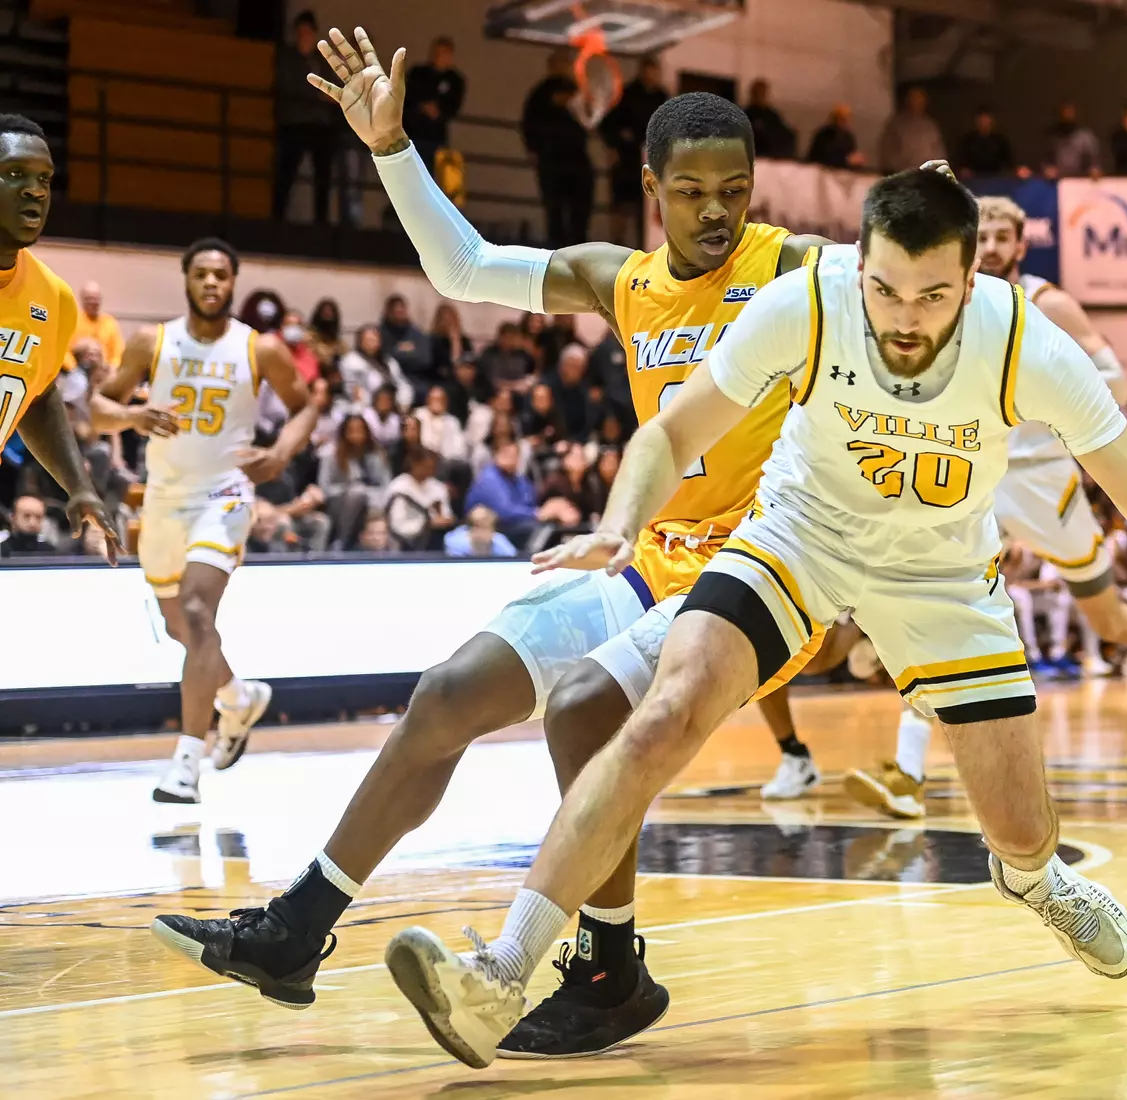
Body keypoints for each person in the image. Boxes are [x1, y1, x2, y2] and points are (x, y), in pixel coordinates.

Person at [367, 168, 1127, 1069]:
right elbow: (672, 431)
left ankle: (1032, 878)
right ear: (859, 264)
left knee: (1020, 831)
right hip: (798, 539)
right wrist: (619, 525)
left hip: (938, 575)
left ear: (971, 278)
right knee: (662, 713)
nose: (904, 316)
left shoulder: (1024, 342)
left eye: (932, 296)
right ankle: (499, 973)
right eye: (886, 289)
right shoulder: (808, 303)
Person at [149, 26, 854, 1059]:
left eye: (736, 190)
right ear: (651, 185)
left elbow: (889, 277)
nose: (717, 210)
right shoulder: (624, 280)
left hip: (760, 571)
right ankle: (297, 929)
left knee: (586, 711)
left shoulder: (795, 264)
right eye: (695, 190)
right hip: (650, 556)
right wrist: (392, 149)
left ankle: (607, 959)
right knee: (447, 693)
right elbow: (465, 265)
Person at [842, 195, 1127, 821]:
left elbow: (1116, 381)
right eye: (981, 234)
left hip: (1045, 478)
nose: (989, 245)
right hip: (973, 471)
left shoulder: (1049, 304)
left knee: (1106, 620)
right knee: (942, 608)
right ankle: (908, 774)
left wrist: (1050, 405)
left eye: (1001, 236)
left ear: (1021, 245)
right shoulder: (948, 298)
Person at [99, 238, 318, 803]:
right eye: (203, 274)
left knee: (198, 613)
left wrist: (281, 453)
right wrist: (131, 415)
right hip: (163, 501)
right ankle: (239, 697)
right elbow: (94, 410)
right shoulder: (153, 340)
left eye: (222, 274)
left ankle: (186, 765)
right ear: (187, 279)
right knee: (183, 631)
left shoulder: (259, 348)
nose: (212, 283)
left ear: (233, 282)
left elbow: (308, 404)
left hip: (224, 496)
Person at [521, 54, 593, 249]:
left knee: (580, 205)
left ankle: (579, 248)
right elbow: (529, 122)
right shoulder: (540, 93)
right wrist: (532, 149)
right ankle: (557, 249)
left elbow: (588, 118)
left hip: (576, 154)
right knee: (555, 207)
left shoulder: (577, 90)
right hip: (551, 155)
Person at [599, 57, 670, 248]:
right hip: (626, 158)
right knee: (622, 205)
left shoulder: (662, 97)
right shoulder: (626, 94)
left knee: (646, 208)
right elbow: (607, 124)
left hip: (652, 162)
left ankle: (645, 246)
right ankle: (617, 244)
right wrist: (613, 146)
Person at [274, 11, 335, 223]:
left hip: (320, 125)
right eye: (300, 32)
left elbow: (334, 89)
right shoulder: (287, 57)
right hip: (294, 122)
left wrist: (324, 96)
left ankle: (321, 222)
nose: (304, 36)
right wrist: (317, 95)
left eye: (308, 32)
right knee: (286, 173)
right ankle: (277, 218)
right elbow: (287, 86)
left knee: (323, 176)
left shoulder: (321, 60)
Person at [402, 37, 465, 171]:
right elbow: (408, 96)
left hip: (436, 136)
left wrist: (439, 111)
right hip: (413, 132)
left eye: (444, 53)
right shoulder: (418, 73)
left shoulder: (455, 80)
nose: (439, 57)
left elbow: (454, 106)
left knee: (433, 173)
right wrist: (422, 107)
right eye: (437, 53)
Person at [878, 85, 945, 172]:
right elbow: (887, 151)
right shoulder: (897, 125)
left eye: (920, 100)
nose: (917, 103)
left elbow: (939, 150)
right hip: (905, 173)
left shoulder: (930, 126)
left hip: (928, 173)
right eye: (914, 99)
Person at [74, 280, 124, 367]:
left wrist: (112, 368)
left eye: (96, 298)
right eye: (89, 299)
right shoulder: (74, 321)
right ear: (82, 300)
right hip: (79, 370)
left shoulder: (110, 323)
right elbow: (65, 352)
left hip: (105, 370)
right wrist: (73, 369)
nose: (93, 302)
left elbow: (118, 353)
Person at [743, 79, 795, 160]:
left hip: (768, 160)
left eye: (761, 93)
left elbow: (785, 136)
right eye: (756, 92)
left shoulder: (772, 116)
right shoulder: (743, 116)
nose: (758, 96)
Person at [956, 106, 1013, 177]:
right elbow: (961, 162)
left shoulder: (1000, 140)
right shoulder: (968, 140)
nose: (984, 122)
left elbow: (1009, 163)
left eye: (986, 119)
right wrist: (963, 170)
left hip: (996, 178)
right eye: (981, 119)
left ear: (992, 121)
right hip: (973, 179)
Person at [807, 103, 863, 169]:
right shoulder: (825, 134)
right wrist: (846, 161)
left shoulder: (848, 137)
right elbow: (823, 157)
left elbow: (851, 154)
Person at [445, 503, 514, 557]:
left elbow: (512, 558)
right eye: (478, 526)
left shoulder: (499, 540)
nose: (482, 532)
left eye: (486, 527)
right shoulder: (455, 541)